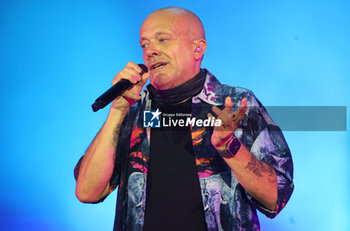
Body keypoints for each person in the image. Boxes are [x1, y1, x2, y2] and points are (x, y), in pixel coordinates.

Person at [74, 7, 294, 231]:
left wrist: (230, 147)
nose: (150, 51)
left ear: (198, 49)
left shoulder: (236, 104)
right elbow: (86, 192)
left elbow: (276, 197)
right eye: (145, 44)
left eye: (162, 40)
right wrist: (118, 110)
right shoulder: (133, 114)